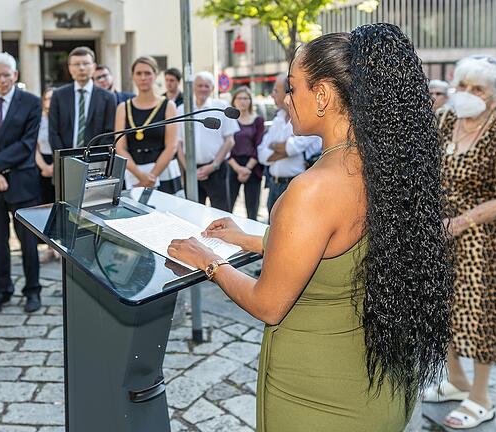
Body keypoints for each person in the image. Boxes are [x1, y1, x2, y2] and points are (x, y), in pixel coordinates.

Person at [168, 24, 453, 431]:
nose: (284, 100)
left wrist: (209, 261)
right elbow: (335, 248)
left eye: (292, 87)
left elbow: (268, 303)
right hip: (380, 386)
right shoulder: (391, 167)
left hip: (317, 399)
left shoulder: (313, 189)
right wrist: (249, 238)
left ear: (322, 95)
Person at [424, 55, 496, 429]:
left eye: (477, 88)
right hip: (439, 231)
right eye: (462, 85)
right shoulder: (446, 119)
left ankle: (481, 397)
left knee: (480, 316)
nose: (465, 94)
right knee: (442, 309)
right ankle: (456, 380)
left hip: (478, 239)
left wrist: (460, 222)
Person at [0, 52, 43, 313]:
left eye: (6, 75)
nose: (2, 80)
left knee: (28, 243)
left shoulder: (31, 103)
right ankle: (2, 290)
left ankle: (32, 291)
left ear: (15, 75)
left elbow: (27, 144)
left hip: (23, 182)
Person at [114, 56, 183, 195]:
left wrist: (152, 176)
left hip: (164, 171)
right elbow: (120, 147)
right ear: (133, 76)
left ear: (155, 75)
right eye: (139, 73)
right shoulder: (123, 107)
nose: (143, 78)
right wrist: (140, 175)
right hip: (134, 171)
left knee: (168, 214)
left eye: (147, 73)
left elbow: (172, 146)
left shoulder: (168, 105)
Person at [257, 73, 322, 213]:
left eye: (275, 91)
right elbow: (262, 154)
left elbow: (292, 148)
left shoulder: (307, 119)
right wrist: (284, 150)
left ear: (288, 92)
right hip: (274, 185)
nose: (272, 95)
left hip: (294, 185)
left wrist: (280, 148)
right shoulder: (278, 118)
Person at [177, 71, 240, 211]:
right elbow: (178, 144)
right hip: (192, 170)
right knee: (193, 213)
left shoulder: (222, 107)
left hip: (217, 170)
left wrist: (213, 165)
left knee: (221, 212)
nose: (203, 89)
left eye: (207, 86)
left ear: (212, 88)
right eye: (199, 85)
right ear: (193, 87)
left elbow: (230, 141)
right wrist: (188, 168)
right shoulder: (182, 109)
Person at [48, 46, 117, 150]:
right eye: (76, 64)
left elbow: (109, 133)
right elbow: (53, 132)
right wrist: (63, 157)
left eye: (86, 63)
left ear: (93, 67)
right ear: (69, 68)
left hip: (97, 160)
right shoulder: (58, 95)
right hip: (65, 159)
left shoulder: (108, 97)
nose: (81, 68)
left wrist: (95, 157)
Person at [227, 86, 264, 219]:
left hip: (252, 167)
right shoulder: (229, 120)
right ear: (234, 101)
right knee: (228, 207)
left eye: (246, 98)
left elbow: (259, 145)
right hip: (232, 166)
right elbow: (225, 146)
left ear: (250, 101)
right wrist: (238, 169)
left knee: (252, 210)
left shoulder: (258, 120)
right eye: (239, 98)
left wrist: (247, 168)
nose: (243, 101)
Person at [35, 86, 59, 262]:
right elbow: (34, 146)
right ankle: (49, 246)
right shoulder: (39, 120)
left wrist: (56, 165)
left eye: (53, 98)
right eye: (47, 98)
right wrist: (44, 166)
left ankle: (61, 245)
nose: (49, 102)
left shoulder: (60, 118)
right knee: (46, 206)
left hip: (60, 160)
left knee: (61, 206)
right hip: (43, 162)